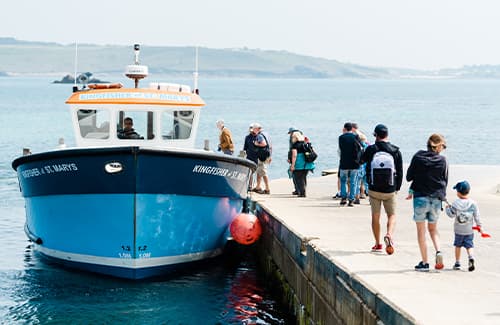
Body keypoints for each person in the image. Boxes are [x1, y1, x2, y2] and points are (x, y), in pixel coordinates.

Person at [407, 133, 448, 272]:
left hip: (420, 198)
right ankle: (438, 251)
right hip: (436, 199)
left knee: (421, 231)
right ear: (439, 146)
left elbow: (408, 177)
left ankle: (425, 262)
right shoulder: (442, 160)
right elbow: (445, 181)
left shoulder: (418, 156)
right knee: (433, 229)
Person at [361, 124, 403, 254]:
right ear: (387, 135)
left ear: (375, 135)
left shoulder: (371, 149)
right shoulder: (395, 150)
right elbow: (400, 171)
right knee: (392, 215)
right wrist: (397, 188)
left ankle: (378, 243)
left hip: (374, 189)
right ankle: (389, 234)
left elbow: (360, 161)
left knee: (375, 216)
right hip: (390, 189)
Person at [445, 181, 482, 271]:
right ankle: (471, 257)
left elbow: (451, 215)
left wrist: (447, 209)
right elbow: (477, 215)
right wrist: (479, 226)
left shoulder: (455, 203)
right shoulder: (473, 203)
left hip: (458, 230)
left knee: (458, 246)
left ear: (458, 192)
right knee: (469, 245)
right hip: (469, 230)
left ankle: (457, 263)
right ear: (468, 191)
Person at [338, 122, 362, 206]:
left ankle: (343, 198)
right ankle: (351, 199)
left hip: (344, 162)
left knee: (343, 181)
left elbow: (340, 149)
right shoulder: (356, 137)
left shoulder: (341, 137)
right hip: (354, 163)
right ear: (352, 128)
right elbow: (360, 148)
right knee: (353, 182)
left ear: (345, 128)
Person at [289, 131, 315, 197]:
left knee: (298, 179)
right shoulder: (305, 144)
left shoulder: (295, 145)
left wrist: (292, 165)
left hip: (299, 164)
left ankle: (302, 193)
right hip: (307, 164)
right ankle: (303, 191)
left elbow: (294, 155)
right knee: (303, 178)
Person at [251, 123, 271, 195]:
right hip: (266, 155)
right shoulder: (265, 134)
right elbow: (270, 145)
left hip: (261, 156)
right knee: (259, 171)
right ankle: (258, 187)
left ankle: (267, 188)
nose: (253, 131)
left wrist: (256, 144)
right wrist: (270, 156)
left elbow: (264, 144)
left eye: (254, 129)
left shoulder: (259, 135)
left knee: (263, 171)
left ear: (257, 129)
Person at [287, 127, 302, 195]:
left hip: (295, 160)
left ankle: (298, 190)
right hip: (303, 162)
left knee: (295, 175)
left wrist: (290, 160)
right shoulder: (302, 139)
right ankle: (301, 190)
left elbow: (292, 151)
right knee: (301, 177)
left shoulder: (293, 141)